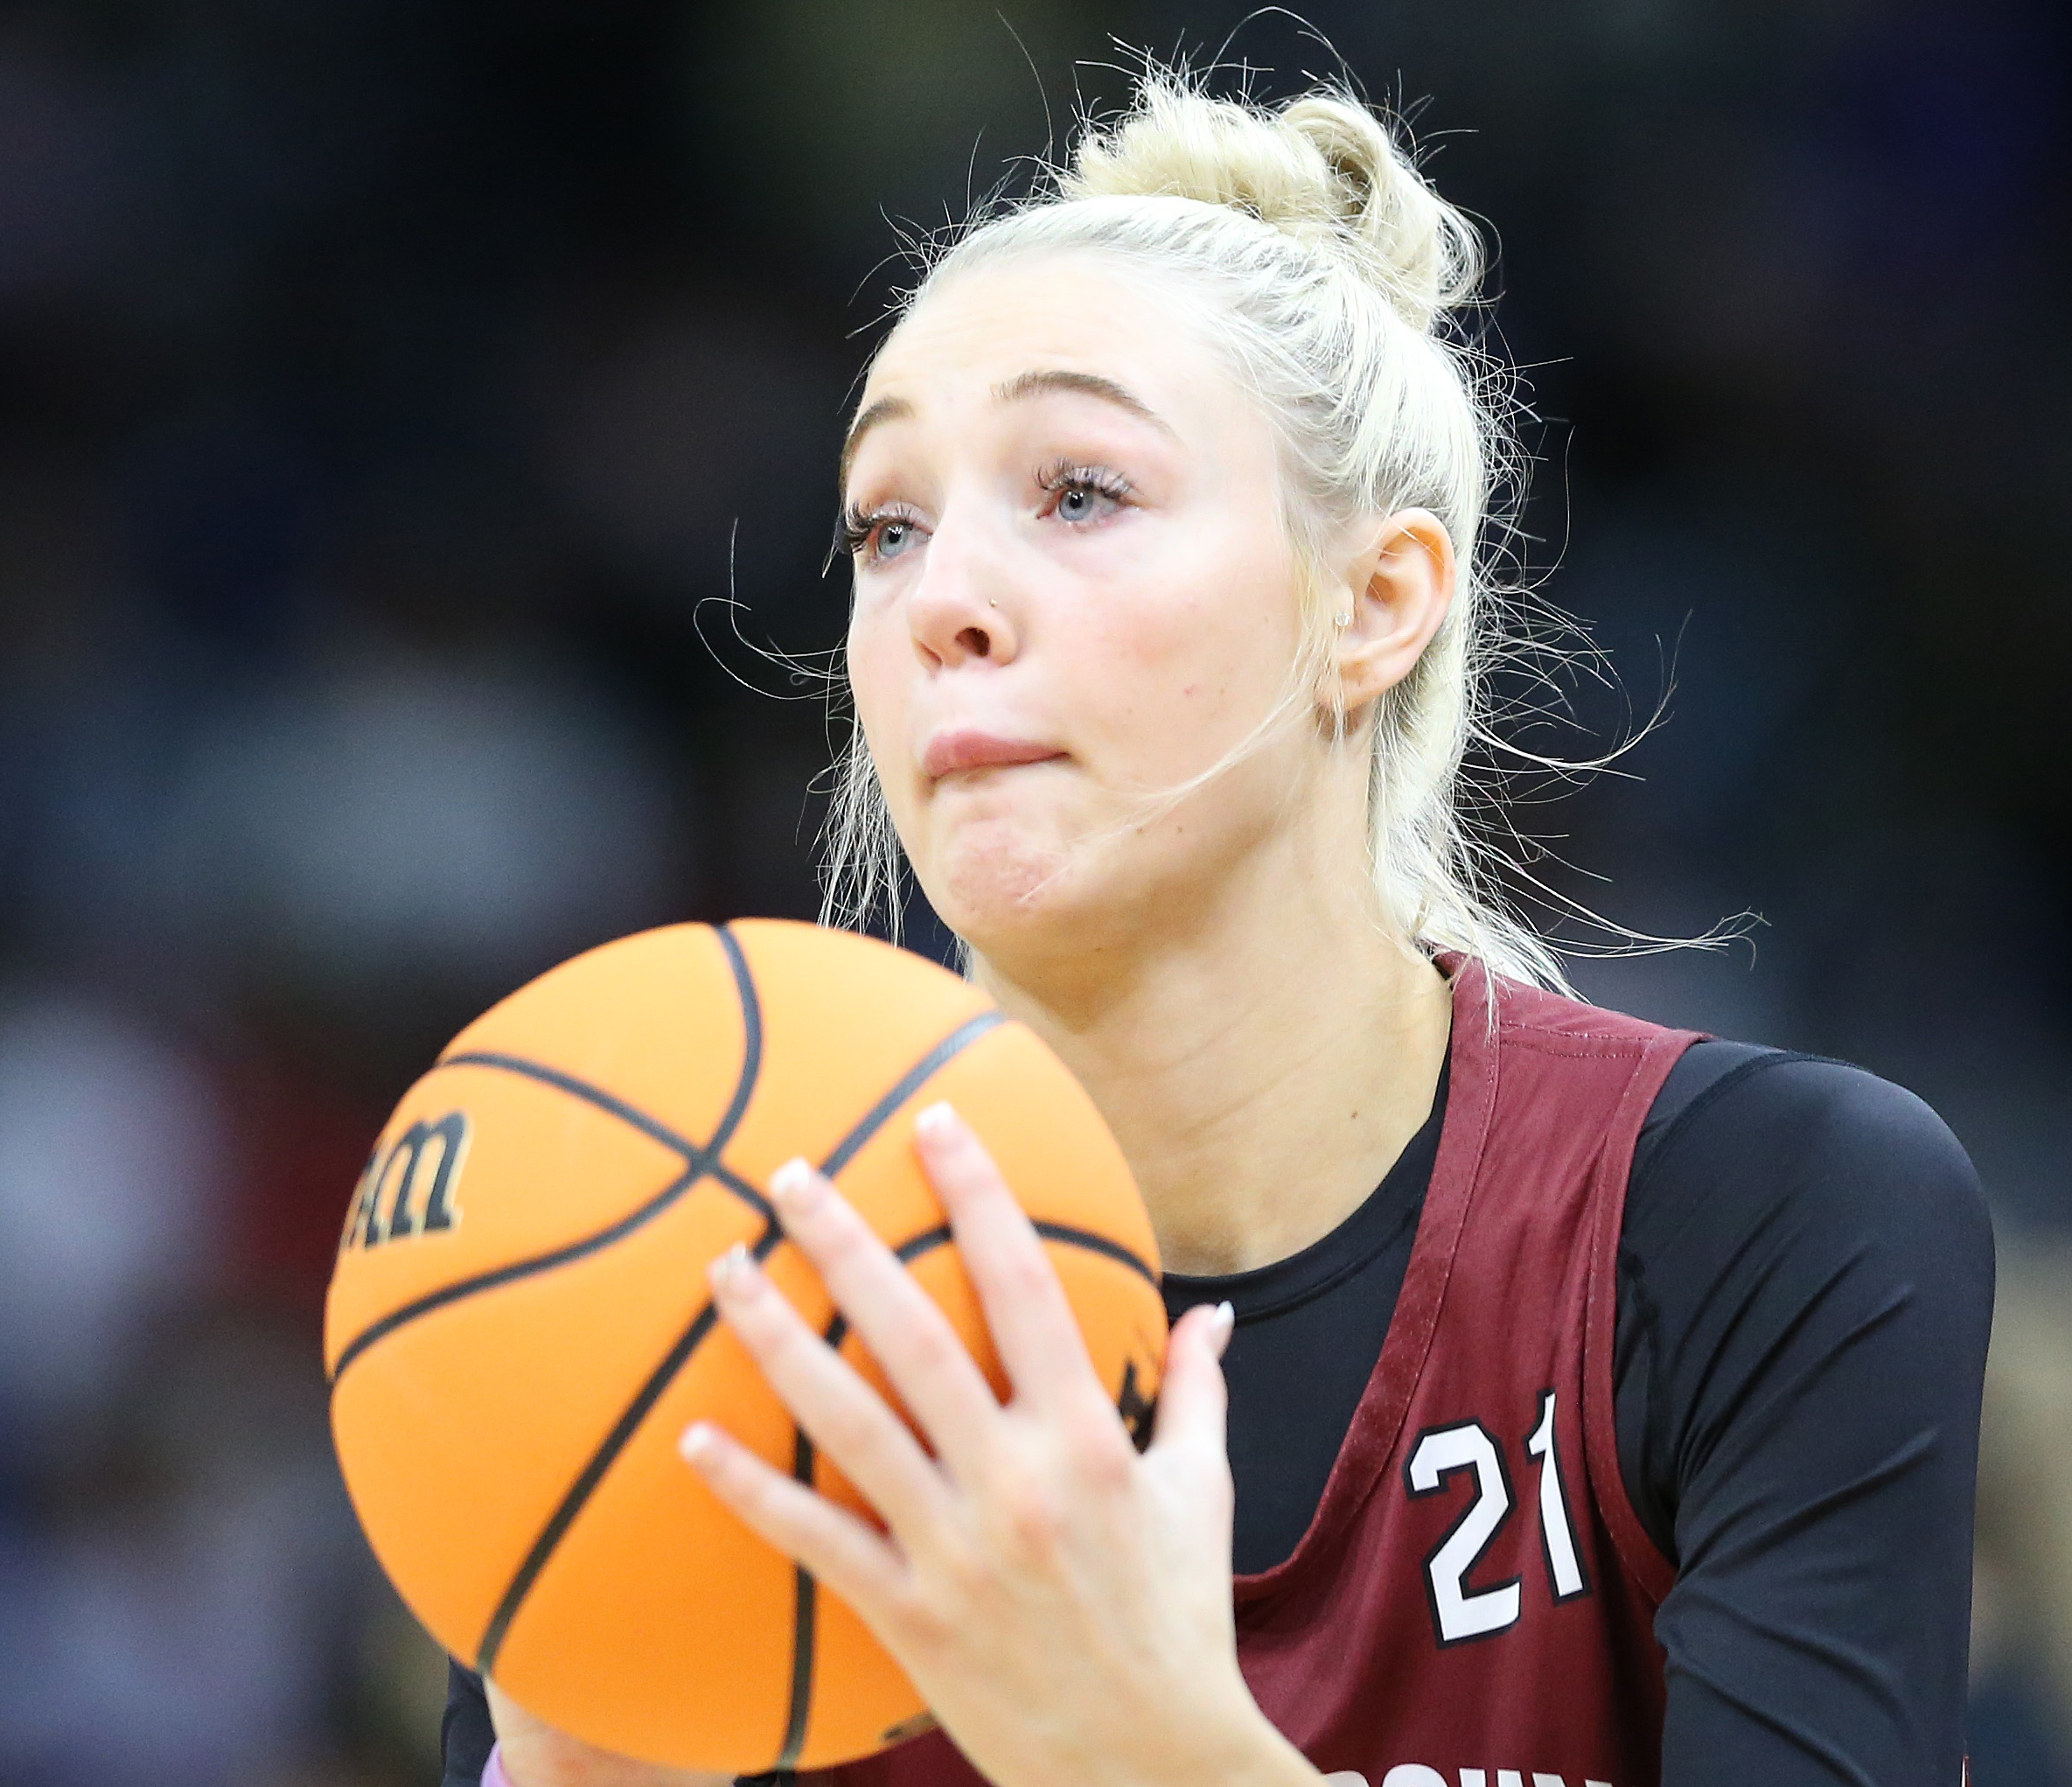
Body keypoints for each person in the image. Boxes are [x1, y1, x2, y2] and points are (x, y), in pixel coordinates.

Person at [440, 73, 1992, 1787]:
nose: (940, 593)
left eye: (1080, 490)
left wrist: (1136, 1746)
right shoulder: (666, 1246)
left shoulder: (1746, 1212)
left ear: (1373, 602)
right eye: (888, 522)